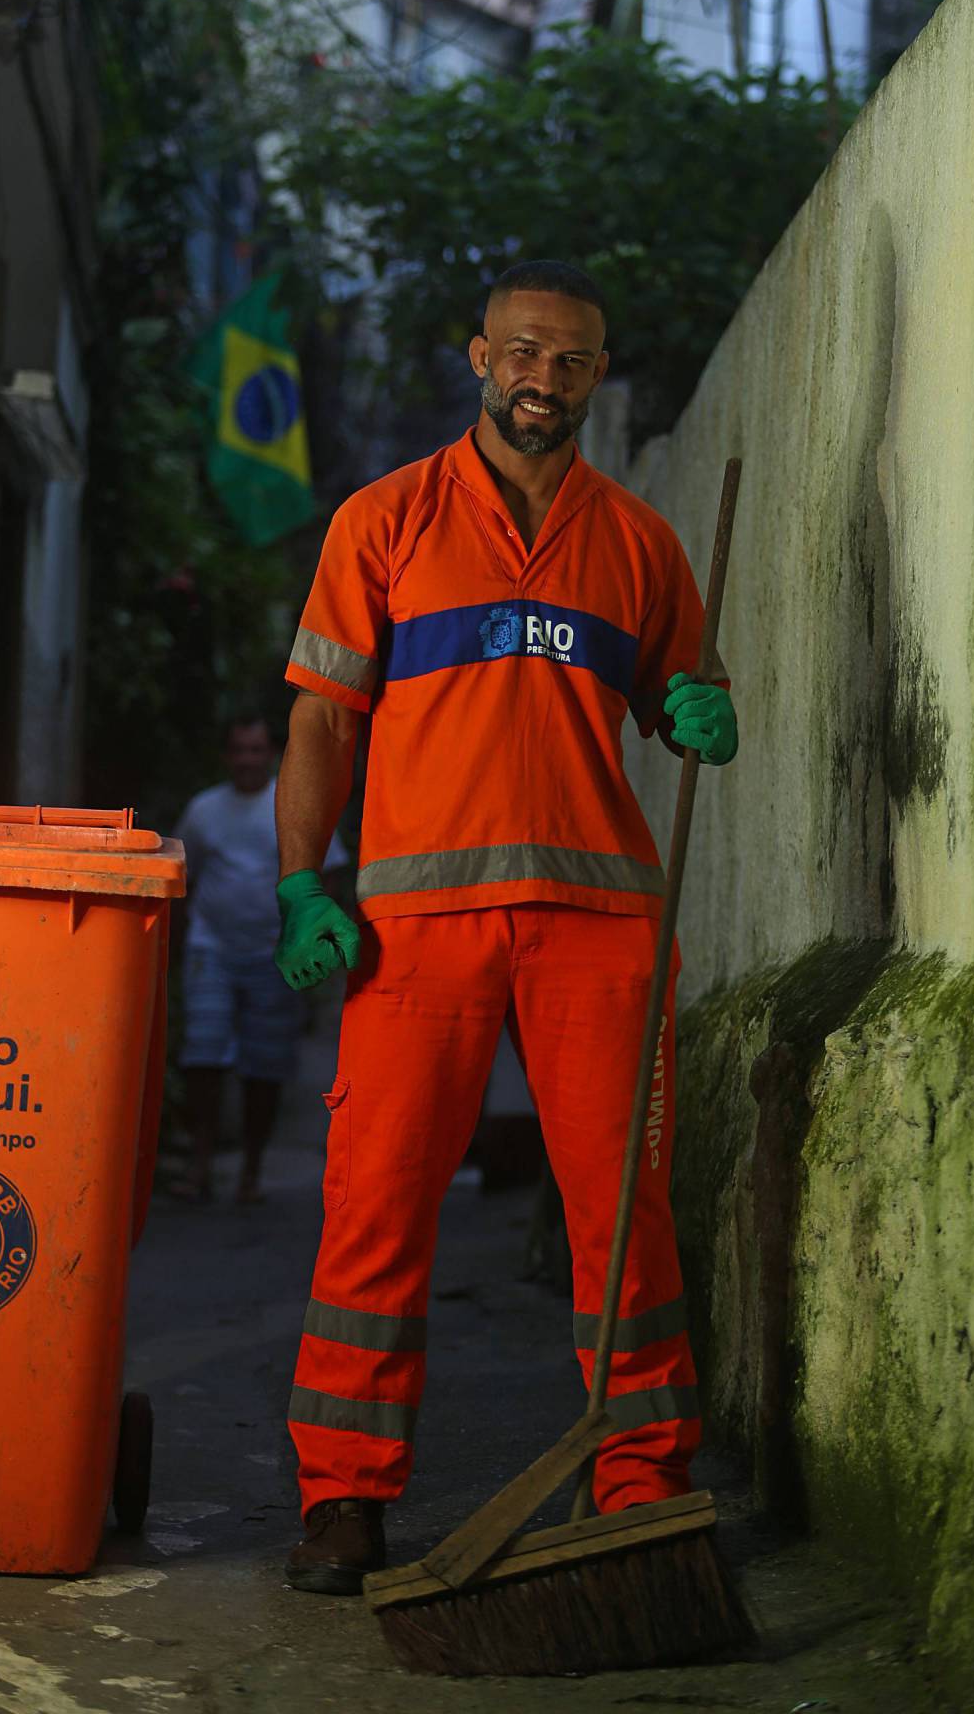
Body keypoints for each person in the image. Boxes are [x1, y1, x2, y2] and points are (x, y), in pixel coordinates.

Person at [271, 261, 739, 1593]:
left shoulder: (641, 543)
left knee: (625, 1219)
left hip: (600, 927)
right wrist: (307, 885)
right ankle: (345, 1496)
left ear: (597, 378)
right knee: (375, 1208)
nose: (547, 376)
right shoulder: (385, 521)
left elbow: (680, 693)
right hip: (417, 927)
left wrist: (703, 709)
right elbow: (318, 715)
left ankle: (640, 1483)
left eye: (574, 360)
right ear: (480, 357)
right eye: (526, 351)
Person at [171, 715, 349, 1206]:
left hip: (275, 958)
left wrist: (310, 943)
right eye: (238, 750)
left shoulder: (294, 803)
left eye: (255, 750)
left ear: (271, 754)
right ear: (227, 756)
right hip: (212, 951)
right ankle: (200, 1164)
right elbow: (182, 878)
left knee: (263, 1068)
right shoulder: (204, 811)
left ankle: (250, 1173)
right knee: (203, 1059)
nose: (247, 760)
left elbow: (327, 873)